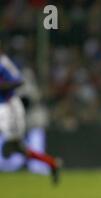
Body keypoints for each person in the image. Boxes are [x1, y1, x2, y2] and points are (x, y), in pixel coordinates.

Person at [0, 45, 62, 184]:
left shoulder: (3, 63)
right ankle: (52, 163)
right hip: (3, 108)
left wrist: (2, 86)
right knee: (18, 149)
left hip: (8, 107)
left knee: (13, 147)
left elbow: (18, 81)